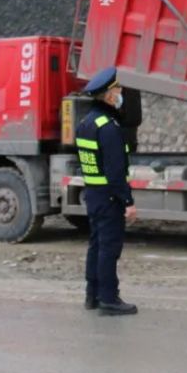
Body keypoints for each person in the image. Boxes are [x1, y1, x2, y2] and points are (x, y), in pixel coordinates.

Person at [76, 67, 138, 316]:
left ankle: (92, 295)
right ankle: (109, 298)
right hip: (109, 196)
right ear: (108, 95)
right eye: (117, 90)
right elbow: (115, 172)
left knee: (96, 245)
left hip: (93, 193)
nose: (120, 93)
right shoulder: (109, 127)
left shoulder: (86, 123)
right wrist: (128, 201)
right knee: (109, 249)